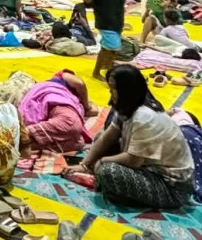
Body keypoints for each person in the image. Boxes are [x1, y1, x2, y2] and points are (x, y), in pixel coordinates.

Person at [63, 66, 193, 209]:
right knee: (100, 137)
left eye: (113, 88)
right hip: (148, 168)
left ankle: (115, 190)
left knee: (108, 171)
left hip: (171, 187)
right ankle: (110, 185)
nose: (110, 92)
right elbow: (107, 137)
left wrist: (102, 161)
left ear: (126, 89)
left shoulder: (144, 116)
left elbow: (134, 160)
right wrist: (84, 165)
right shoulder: (127, 107)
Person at [89, 0, 153, 81]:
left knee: (107, 49)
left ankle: (98, 71)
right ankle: (109, 73)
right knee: (114, 47)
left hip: (118, 23)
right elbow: (89, 2)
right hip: (105, 24)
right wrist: (87, 2)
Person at [20, 71, 94, 153]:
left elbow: (95, 110)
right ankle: (25, 133)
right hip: (52, 100)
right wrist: (86, 105)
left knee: (79, 142)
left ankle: (26, 143)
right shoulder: (60, 77)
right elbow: (80, 84)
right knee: (71, 124)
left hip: (35, 109)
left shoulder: (72, 99)